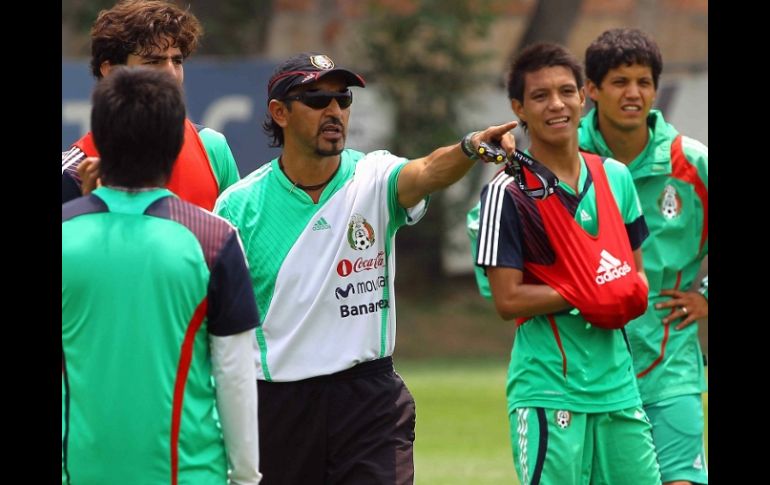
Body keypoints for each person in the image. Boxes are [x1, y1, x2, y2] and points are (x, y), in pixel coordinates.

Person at [214, 51, 518, 485]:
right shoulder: (238, 206)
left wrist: (469, 148)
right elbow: (223, 321)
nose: (334, 110)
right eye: (317, 99)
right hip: (278, 404)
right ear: (279, 113)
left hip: (367, 400)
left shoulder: (373, 176)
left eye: (343, 99)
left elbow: (428, 170)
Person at [471, 43, 661, 484]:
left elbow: (635, 274)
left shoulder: (615, 177)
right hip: (549, 391)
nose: (556, 104)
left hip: (618, 388)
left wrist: (627, 292)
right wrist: (586, 292)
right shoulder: (509, 193)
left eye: (565, 92)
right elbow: (507, 298)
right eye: (539, 96)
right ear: (518, 107)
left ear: (583, 97)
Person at [62, 67, 261, 484]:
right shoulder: (216, 239)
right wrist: (244, 476)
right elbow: (236, 374)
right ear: (176, 145)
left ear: (99, 138)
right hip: (191, 474)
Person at [578, 28, 708, 485]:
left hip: (670, 362)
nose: (634, 93)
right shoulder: (562, 159)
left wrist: (706, 295)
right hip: (583, 365)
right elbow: (491, 231)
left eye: (644, 82)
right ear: (591, 90)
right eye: (619, 81)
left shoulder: (691, 163)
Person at [61, 0, 240, 209]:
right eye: (154, 62)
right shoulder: (72, 172)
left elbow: (233, 237)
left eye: (177, 61)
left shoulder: (213, 148)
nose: (171, 74)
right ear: (111, 71)